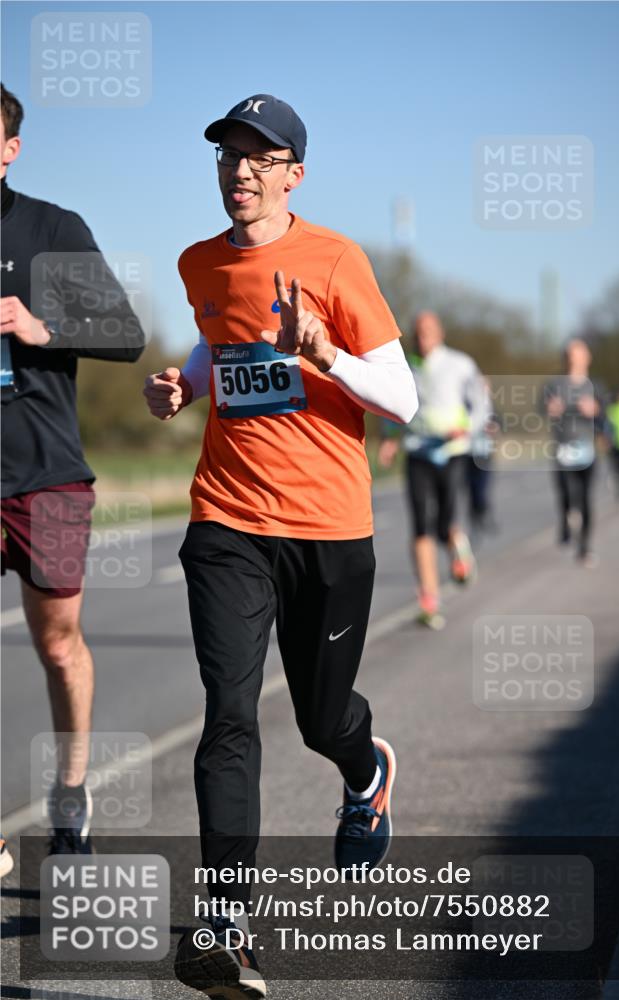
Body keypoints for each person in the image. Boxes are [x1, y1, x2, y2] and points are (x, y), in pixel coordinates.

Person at [143, 93, 417, 998]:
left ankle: (365, 766)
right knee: (228, 712)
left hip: (330, 530)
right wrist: (181, 386)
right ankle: (228, 921)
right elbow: (217, 335)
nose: (242, 171)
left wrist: (325, 356)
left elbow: (402, 399)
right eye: (229, 155)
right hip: (226, 519)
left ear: (293, 173)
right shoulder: (199, 263)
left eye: (262, 158)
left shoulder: (337, 260)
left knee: (318, 718)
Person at [0, 84, 145, 858]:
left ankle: (71, 791)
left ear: (8, 150)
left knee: (58, 643)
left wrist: (39, 325)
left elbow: (126, 335)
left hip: (48, 472)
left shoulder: (53, 230)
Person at [378, 312, 484, 630]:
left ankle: (457, 545)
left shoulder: (460, 364)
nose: (422, 337)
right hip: (418, 452)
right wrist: (390, 438)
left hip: (452, 452)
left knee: (443, 525)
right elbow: (391, 402)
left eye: (428, 331)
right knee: (421, 527)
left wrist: (466, 430)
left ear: (440, 333)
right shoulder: (405, 365)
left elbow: (481, 405)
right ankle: (429, 598)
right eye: (417, 332)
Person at [542, 338, 605, 567]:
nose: (573, 358)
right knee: (567, 495)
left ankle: (585, 548)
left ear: (587, 356)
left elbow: (605, 412)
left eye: (577, 353)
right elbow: (541, 408)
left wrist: (595, 409)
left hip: (587, 449)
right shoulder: (554, 385)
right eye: (569, 353)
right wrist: (551, 409)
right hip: (563, 448)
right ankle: (566, 523)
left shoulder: (595, 385)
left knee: (586, 499)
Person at [467, 374, 500, 536]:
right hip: (469, 452)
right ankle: (475, 519)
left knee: (484, 487)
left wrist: (494, 428)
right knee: (471, 488)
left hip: (485, 452)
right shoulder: (467, 404)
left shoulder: (490, 407)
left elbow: (499, 424)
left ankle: (486, 515)